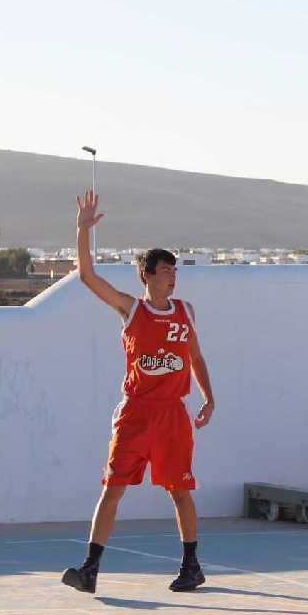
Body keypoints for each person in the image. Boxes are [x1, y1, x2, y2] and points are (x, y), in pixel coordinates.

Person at [61, 190, 216, 594]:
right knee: (112, 488)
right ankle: (90, 568)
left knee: (180, 491)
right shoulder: (132, 309)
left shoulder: (186, 312)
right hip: (137, 412)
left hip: (172, 414)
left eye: (175, 271)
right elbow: (87, 276)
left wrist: (209, 397)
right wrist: (82, 231)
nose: (172, 276)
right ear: (146, 274)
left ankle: (192, 565)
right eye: (165, 270)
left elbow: (195, 357)